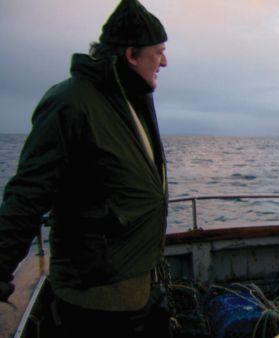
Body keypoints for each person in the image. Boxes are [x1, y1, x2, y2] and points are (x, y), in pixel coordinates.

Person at [0, 1, 170, 336]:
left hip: (138, 293)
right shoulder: (71, 102)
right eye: (158, 52)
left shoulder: (129, 100)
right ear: (131, 55)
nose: (165, 61)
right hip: (96, 304)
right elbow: (28, 194)